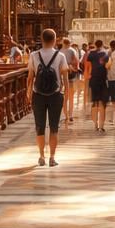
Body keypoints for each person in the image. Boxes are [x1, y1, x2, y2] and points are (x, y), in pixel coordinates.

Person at [27, 28, 67, 166]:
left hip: (38, 94)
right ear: (55, 40)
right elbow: (64, 78)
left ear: (42, 40)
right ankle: (52, 158)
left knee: (40, 126)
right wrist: (65, 94)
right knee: (54, 127)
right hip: (55, 95)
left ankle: (41, 156)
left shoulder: (34, 55)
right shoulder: (60, 56)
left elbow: (30, 77)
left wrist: (28, 93)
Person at [85, 40, 110, 132]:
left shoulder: (91, 53)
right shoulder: (105, 53)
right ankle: (101, 125)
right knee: (102, 103)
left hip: (94, 79)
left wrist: (88, 76)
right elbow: (108, 66)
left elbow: (87, 67)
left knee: (94, 103)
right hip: (103, 80)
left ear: (95, 45)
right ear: (102, 44)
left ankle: (95, 124)